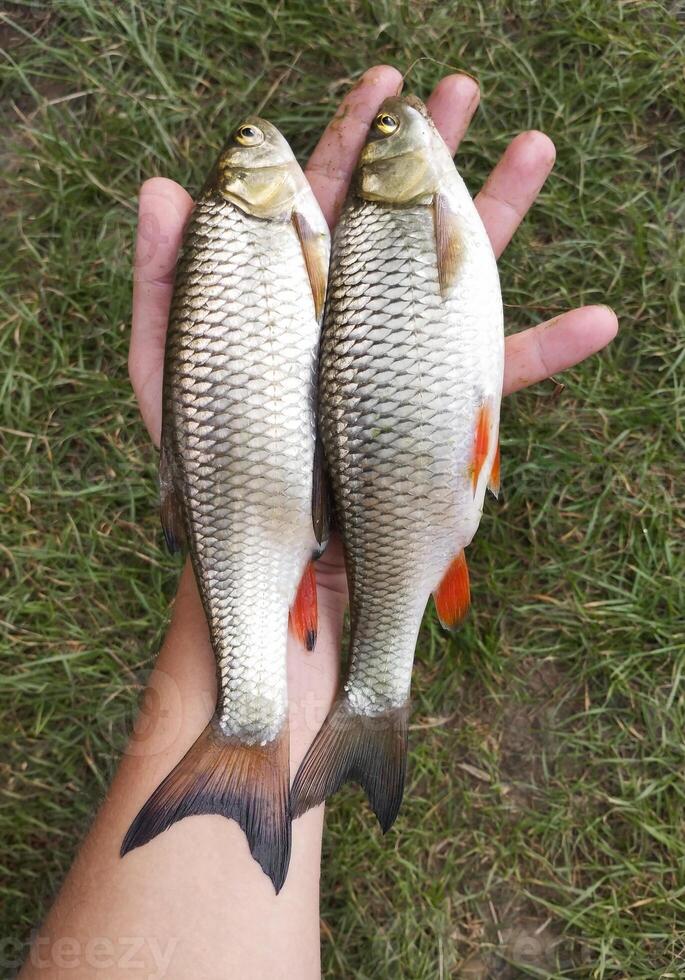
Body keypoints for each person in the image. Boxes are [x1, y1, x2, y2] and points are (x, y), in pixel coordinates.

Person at [20, 66, 618, 979]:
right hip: (294, 479)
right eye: (248, 154)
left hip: (333, 474)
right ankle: (280, 725)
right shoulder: (341, 225)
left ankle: (312, 718)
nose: (399, 128)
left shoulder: (329, 229)